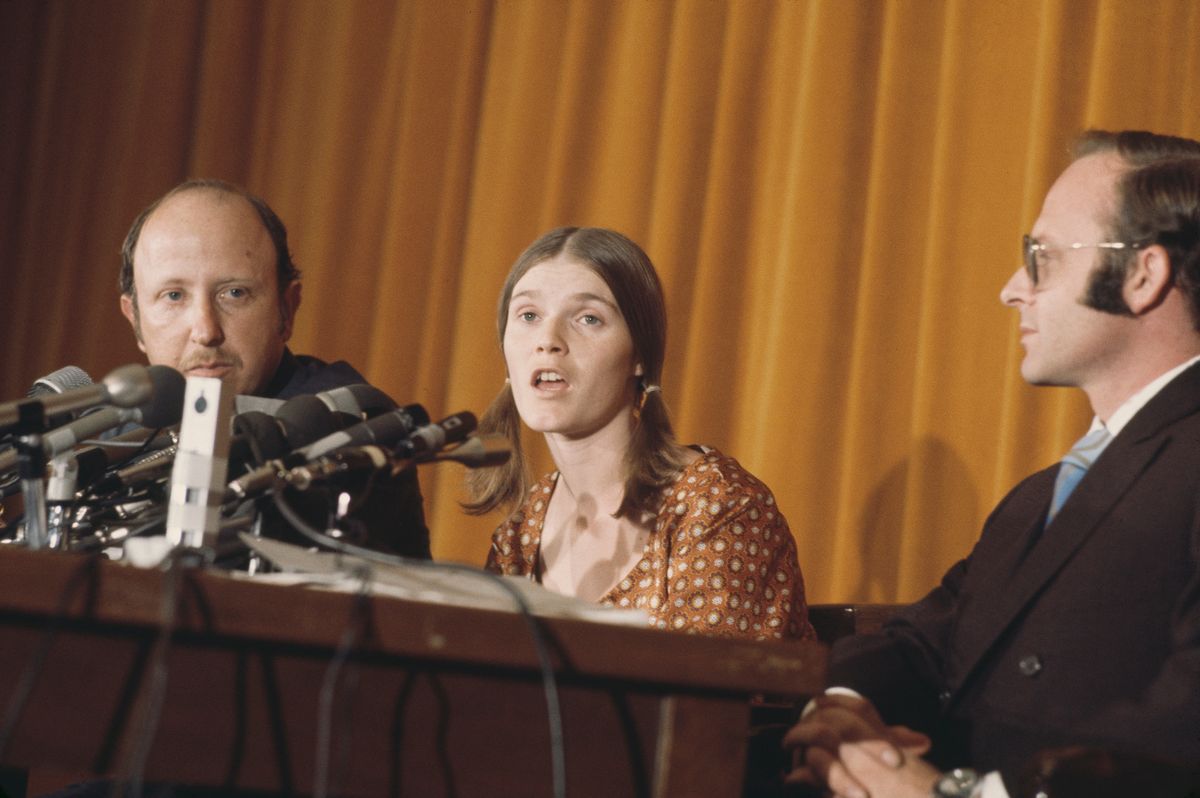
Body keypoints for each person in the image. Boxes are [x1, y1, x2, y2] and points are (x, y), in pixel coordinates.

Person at [783, 130, 1200, 797]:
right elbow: (923, 644)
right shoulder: (1039, 497)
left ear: (1143, 276)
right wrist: (842, 709)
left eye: (1042, 257)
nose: (1012, 290)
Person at [469, 226, 815, 642]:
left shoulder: (717, 508)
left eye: (588, 319)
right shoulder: (520, 536)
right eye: (528, 316)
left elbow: (706, 699)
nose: (547, 341)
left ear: (639, 355)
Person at [119, 179, 428, 558]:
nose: (205, 330)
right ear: (135, 319)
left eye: (234, 293)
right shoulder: (114, 436)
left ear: (286, 308)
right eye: (173, 296)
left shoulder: (351, 423)